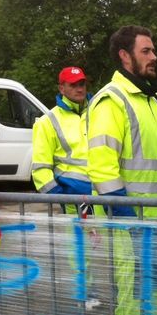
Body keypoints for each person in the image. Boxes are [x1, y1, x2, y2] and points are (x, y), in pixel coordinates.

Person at [86, 25, 157, 315]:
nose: (154, 57)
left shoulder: (150, 101)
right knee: (132, 303)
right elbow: (103, 167)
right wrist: (129, 221)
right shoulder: (113, 101)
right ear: (125, 56)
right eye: (146, 51)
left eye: (154, 50)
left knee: (156, 300)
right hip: (133, 229)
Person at [32, 66, 92, 213]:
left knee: (106, 236)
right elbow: (40, 170)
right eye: (73, 85)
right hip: (73, 200)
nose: (79, 89)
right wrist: (61, 197)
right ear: (61, 89)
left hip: (103, 194)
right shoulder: (47, 122)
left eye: (81, 84)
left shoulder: (98, 112)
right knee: (78, 236)